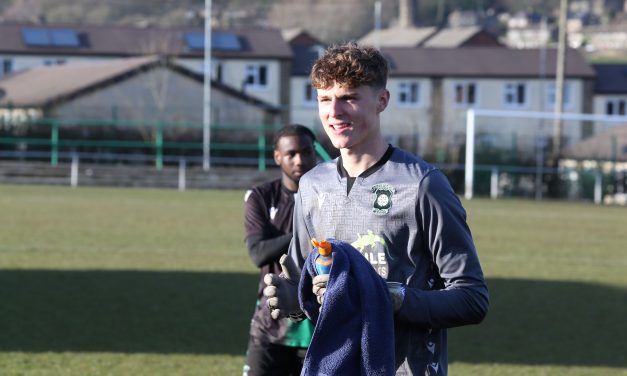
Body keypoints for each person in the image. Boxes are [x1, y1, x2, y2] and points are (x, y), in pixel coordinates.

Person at [263, 43, 489, 375]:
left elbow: (472, 298)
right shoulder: (312, 186)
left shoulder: (422, 185)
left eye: (349, 98)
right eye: (325, 99)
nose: (334, 112)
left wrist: (391, 298)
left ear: (382, 100)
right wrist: (293, 301)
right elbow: (309, 285)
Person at [243, 124, 318, 376]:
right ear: (278, 157)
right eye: (292, 154)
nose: (300, 160)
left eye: (307, 152)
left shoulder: (331, 196)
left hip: (318, 327)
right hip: (270, 325)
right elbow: (258, 253)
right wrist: (305, 234)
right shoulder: (261, 197)